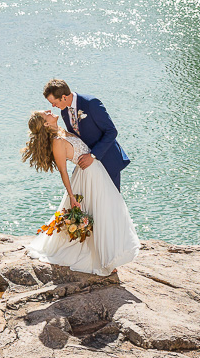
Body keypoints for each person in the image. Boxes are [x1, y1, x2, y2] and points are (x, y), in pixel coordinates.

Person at [22, 110, 140, 275]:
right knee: (100, 212)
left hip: (97, 172)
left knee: (108, 210)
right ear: (46, 124)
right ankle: (104, 257)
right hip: (87, 177)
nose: (49, 111)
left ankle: (110, 254)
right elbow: (63, 171)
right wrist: (71, 196)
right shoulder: (57, 141)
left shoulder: (63, 131)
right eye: (45, 114)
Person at [43, 79, 130, 191]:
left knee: (110, 204)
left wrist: (93, 155)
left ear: (64, 97)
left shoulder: (91, 103)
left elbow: (111, 131)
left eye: (54, 102)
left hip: (107, 160)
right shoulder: (64, 112)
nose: (53, 106)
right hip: (88, 167)